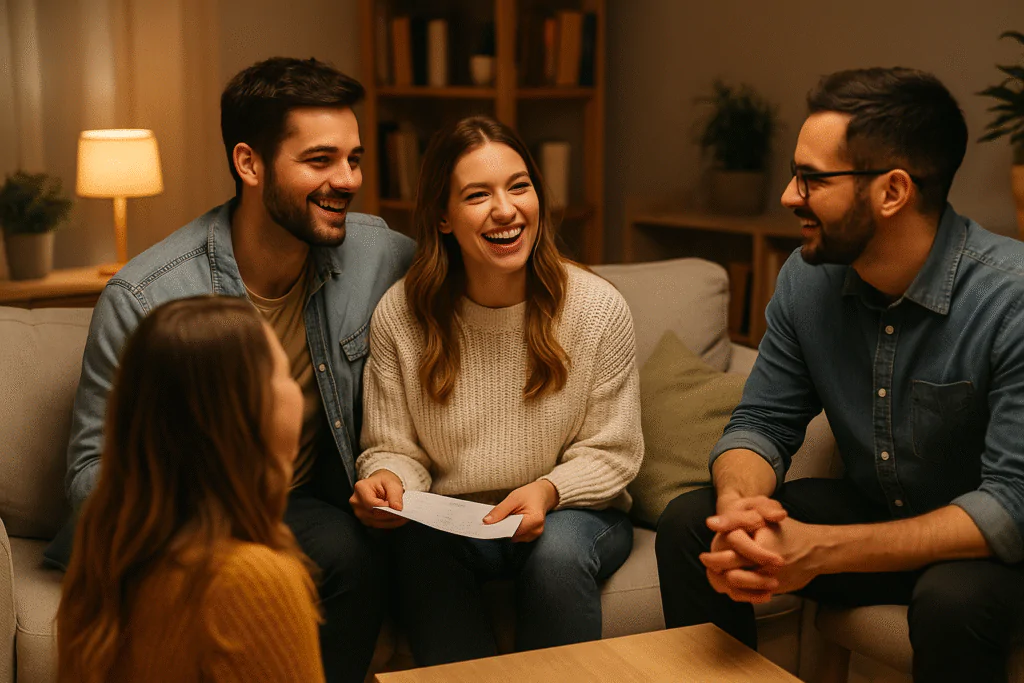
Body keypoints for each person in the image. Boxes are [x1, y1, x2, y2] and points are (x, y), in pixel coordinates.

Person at [655, 67, 1024, 683]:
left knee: (952, 600)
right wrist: (739, 511)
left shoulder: (1010, 300)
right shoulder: (808, 277)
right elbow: (761, 422)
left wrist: (817, 550)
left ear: (892, 191)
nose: (788, 196)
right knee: (691, 525)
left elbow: (1010, 507)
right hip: (880, 510)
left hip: (991, 550)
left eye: (811, 178)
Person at [55, 57, 414, 683]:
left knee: (361, 547)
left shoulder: (377, 253)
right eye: (320, 160)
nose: (347, 178)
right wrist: (202, 524)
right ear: (249, 164)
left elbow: (466, 285)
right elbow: (91, 478)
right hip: (189, 516)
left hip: (305, 500)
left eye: (354, 158)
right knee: (337, 552)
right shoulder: (146, 297)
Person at [349, 115, 644, 665]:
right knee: (414, 549)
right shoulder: (401, 314)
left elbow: (613, 451)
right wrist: (386, 479)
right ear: (443, 216)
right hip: (456, 520)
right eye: (477, 195)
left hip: (571, 513)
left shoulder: (597, 308)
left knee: (555, 554)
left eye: (519, 186)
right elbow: (394, 447)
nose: (505, 210)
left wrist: (548, 492)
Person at [57, 296, 323, 683]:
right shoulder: (253, 584)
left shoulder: (98, 567)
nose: (297, 390)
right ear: (242, 415)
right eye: (282, 372)